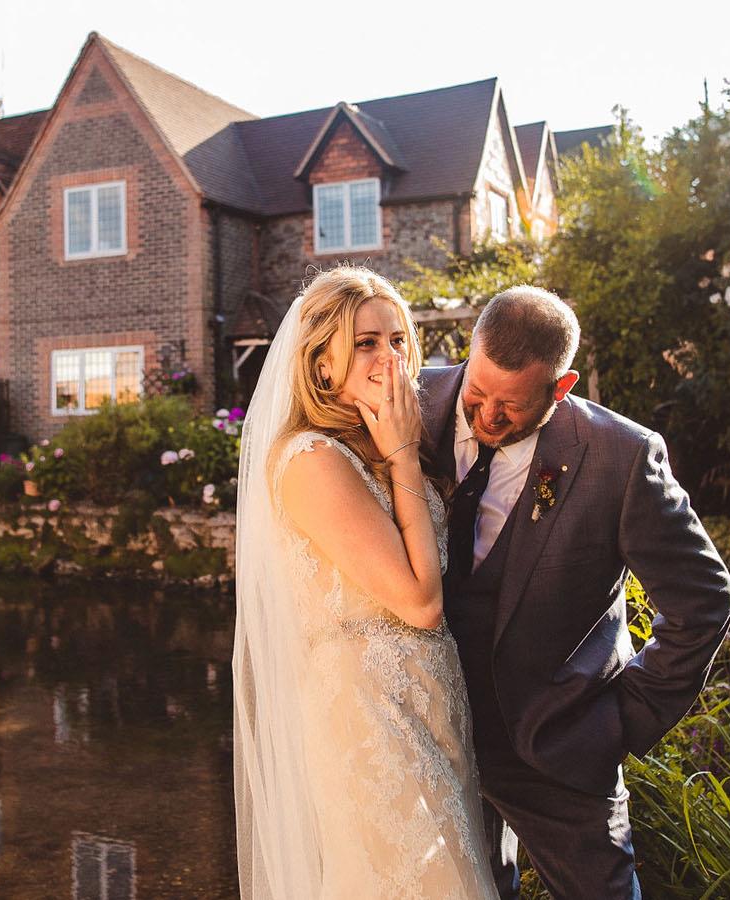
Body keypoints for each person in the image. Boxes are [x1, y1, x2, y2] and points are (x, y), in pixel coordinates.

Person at [418, 286, 730, 900]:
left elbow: (703, 603)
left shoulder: (622, 459)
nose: (485, 416)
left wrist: (618, 722)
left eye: (509, 407)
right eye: (476, 393)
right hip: (427, 730)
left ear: (560, 389)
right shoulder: (412, 398)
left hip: (555, 745)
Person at [232, 266, 499, 899]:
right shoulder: (312, 460)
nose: (390, 356)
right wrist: (405, 455)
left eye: (398, 339)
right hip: (367, 713)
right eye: (365, 342)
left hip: (429, 701)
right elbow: (419, 601)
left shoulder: (383, 444)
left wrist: (403, 453)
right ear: (321, 365)